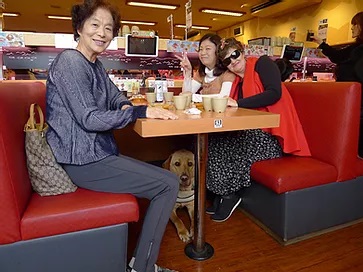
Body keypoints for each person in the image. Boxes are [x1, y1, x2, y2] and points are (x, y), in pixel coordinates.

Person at [45, 1, 179, 272]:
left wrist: (125, 106)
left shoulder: (94, 64)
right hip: (82, 160)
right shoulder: (70, 61)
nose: (102, 33)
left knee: (159, 173)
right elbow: (89, 118)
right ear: (79, 28)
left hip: (96, 154)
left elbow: (115, 95)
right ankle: (141, 267)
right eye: (94, 25)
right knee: (168, 183)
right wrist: (140, 111)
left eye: (108, 28)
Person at [206, 37, 311, 222]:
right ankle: (222, 193)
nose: (233, 61)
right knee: (216, 141)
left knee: (235, 143)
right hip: (253, 132)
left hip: (271, 137)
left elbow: (274, 93)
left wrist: (237, 103)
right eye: (227, 60)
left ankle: (232, 193)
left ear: (243, 51)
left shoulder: (262, 64)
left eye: (235, 55)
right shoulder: (237, 82)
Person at [312, 11, 363, 157]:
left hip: (356, 102)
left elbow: (339, 57)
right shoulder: (356, 48)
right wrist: (321, 43)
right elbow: (338, 56)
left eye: (355, 25)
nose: (352, 28)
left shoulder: (358, 51)